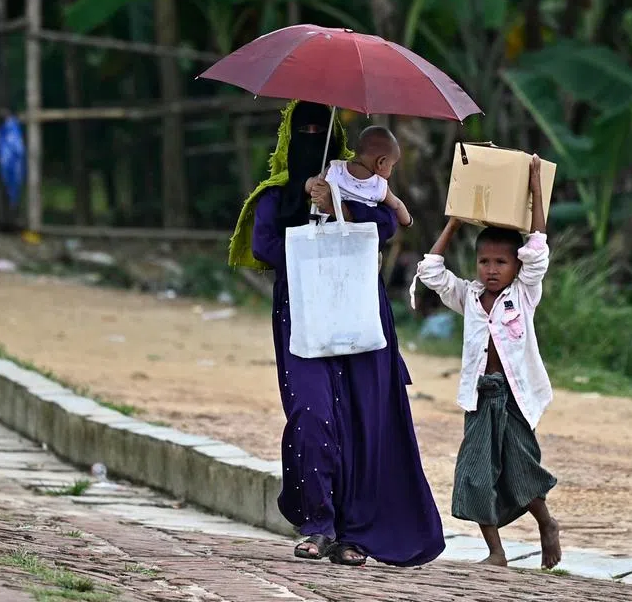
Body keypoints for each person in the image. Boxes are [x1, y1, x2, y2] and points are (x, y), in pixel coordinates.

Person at [227, 100, 444, 567]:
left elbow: (387, 225)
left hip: (360, 312)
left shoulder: (359, 185)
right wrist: (307, 217)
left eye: (318, 130)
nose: (310, 137)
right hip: (302, 313)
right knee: (311, 411)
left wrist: (338, 205)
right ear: (289, 138)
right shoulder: (276, 194)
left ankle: (354, 533)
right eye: (301, 131)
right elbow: (265, 245)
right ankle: (318, 523)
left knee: (364, 419)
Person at [416, 157, 560, 569]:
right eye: (484, 262)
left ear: (514, 267)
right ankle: (496, 551)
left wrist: (534, 186)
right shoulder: (469, 297)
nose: (492, 270)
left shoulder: (524, 294)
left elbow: (538, 248)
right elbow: (431, 271)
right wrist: (455, 223)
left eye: (501, 262)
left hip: (515, 399)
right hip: (480, 398)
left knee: (520, 470)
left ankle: (546, 523)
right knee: (475, 474)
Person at [311, 125, 413, 228]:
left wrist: (311, 185)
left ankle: (335, 209)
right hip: (358, 232)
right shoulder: (379, 185)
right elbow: (397, 205)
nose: (392, 169)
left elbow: (313, 185)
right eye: (392, 165)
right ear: (381, 162)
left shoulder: (335, 168)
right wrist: (408, 221)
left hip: (326, 227)